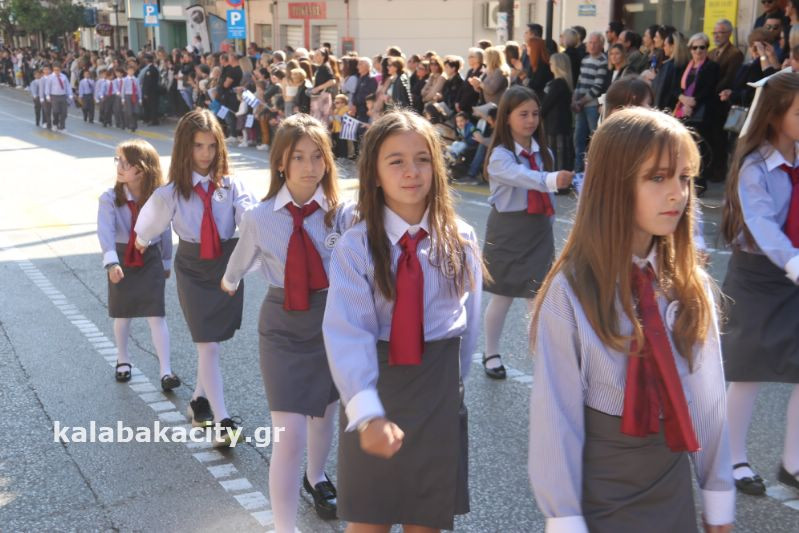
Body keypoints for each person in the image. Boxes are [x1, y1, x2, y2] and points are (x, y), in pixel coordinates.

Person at [529, 106, 734, 533]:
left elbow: (709, 397)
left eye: (684, 178)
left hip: (670, 482)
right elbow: (556, 418)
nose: (677, 193)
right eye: (657, 178)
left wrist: (717, 494)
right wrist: (565, 518)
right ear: (613, 185)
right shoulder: (571, 291)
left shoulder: (689, 284)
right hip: (601, 490)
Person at [323, 109, 483, 532]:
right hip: (375, 385)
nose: (412, 171)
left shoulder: (461, 238)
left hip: (438, 392)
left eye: (423, 159)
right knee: (368, 522)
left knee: (426, 520)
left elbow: (469, 324)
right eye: (396, 161)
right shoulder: (356, 246)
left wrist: (453, 390)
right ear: (374, 173)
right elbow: (348, 333)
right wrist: (366, 411)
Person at [222, 115, 356, 532]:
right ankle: (284, 526)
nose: (309, 166)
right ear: (281, 162)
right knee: (289, 434)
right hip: (282, 325)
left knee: (325, 413)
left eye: (317, 156)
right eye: (298, 157)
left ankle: (316, 477)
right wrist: (228, 282)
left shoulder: (343, 214)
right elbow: (238, 264)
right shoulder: (260, 217)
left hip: (332, 322)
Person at [134, 109, 253, 446]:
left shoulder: (232, 185)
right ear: (185, 147)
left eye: (212, 146)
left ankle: (199, 401)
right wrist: (139, 245)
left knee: (212, 342)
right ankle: (222, 421)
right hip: (193, 269)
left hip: (227, 265)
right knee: (208, 343)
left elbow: (250, 216)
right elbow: (147, 228)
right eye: (198, 146)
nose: (205, 154)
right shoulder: (170, 192)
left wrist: (262, 233)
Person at [720, 70, 799, 497]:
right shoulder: (753, 166)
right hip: (757, 274)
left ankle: (793, 463)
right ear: (773, 116)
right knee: (747, 371)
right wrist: (795, 264)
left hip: (792, 272)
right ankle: (733, 458)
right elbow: (762, 224)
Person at [481, 86, 574, 378]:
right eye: (523, 114)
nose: (531, 120)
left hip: (538, 230)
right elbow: (523, 177)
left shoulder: (544, 153)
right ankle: (490, 352)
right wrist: (551, 179)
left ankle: (545, 358)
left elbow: (546, 194)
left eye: (535, 113)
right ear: (507, 117)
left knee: (539, 298)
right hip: (507, 231)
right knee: (503, 295)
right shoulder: (500, 156)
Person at [97, 140, 178, 391]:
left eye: (126, 162)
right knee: (123, 313)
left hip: (150, 256)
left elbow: (165, 230)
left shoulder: (157, 197)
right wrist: (111, 262)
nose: (119, 167)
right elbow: (105, 231)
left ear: (142, 169)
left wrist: (166, 260)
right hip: (121, 257)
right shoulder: (110, 198)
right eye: (118, 161)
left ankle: (166, 371)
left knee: (157, 313)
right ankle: (123, 358)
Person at [674, 33, 720, 193]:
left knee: (699, 148)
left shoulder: (712, 67)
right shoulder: (684, 67)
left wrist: (694, 102)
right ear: (690, 49)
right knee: (684, 147)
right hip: (683, 110)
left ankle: (700, 182)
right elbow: (674, 87)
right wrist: (682, 98)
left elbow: (709, 88)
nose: (698, 51)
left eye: (702, 47)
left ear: (707, 49)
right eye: (695, 48)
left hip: (702, 113)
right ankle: (686, 179)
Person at [572, 32, 608, 172]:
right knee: (578, 139)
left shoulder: (603, 61)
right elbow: (579, 82)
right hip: (580, 105)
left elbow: (597, 87)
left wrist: (580, 102)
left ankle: (594, 170)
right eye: (590, 42)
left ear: (601, 45)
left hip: (592, 106)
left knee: (595, 138)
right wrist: (574, 99)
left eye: (595, 43)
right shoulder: (585, 59)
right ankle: (578, 169)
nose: (592, 45)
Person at [542, 53, 574, 171]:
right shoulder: (563, 83)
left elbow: (546, 104)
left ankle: (557, 179)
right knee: (560, 155)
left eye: (552, 63)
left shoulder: (558, 84)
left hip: (555, 126)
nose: (550, 64)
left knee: (556, 156)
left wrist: (538, 114)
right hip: (560, 125)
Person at [45, 63, 72, 131]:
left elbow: (67, 86)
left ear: (60, 70)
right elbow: (47, 87)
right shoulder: (50, 77)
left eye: (58, 70)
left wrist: (70, 94)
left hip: (63, 96)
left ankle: (62, 126)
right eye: (55, 70)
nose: (56, 71)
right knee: (55, 111)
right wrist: (47, 96)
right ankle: (55, 124)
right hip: (54, 96)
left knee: (64, 113)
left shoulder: (64, 76)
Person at [141, 53, 161, 126]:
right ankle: (151, 119)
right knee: (150, 105)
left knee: (152, 106)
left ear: (147, 60)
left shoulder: (151, 69)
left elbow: (148, 82)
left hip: (151, 91)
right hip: (152, 91)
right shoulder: (151, 69)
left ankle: (154, 120)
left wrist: (146, 92)